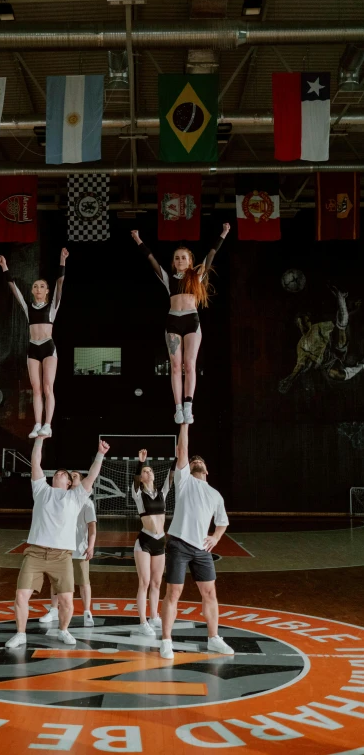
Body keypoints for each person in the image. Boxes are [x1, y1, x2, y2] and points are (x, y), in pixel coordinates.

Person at [6, 439, 109, 649]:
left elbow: (91, 476)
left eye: (64, 474)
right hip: (35, 553)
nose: (60, 473)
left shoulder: (76, 497)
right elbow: (35, 463)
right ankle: (20, 634)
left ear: (70, 482)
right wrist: (39, 440)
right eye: (58, 472)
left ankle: (63, 630)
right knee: (21, 595)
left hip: (62, 556)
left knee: (67, 601)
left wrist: (100, 454)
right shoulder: (41, 490)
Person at [131, 225, 230, 425]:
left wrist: (223, 234)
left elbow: (211, 254)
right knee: (175, 367)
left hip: (191, 320)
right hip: (173, 321)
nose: (180, 260)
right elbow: (151, 260)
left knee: (189, 364)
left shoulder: (197, 275)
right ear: (173, 262)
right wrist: (138, 239)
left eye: (183, 257)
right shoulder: (168, 278)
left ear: (190, 261)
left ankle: (188, 405)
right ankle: (177, 408)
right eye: (177, 258)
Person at [160, 423, 234, 659]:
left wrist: (216, 537)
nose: (197, 461)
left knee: (210, 593)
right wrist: (185, 423)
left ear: (207, 470)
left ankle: (213, 638)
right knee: (174, 593)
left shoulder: (215, 494)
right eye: (193, 461)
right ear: (188, 468)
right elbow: (183, 450)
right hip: (179, 544)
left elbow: (222, 522)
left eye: (200, 461)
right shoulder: (184, 482)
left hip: (201, 549)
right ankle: (166, 641)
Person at [0, 248, 69, 439]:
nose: (38, 289)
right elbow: (13, 288)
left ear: (46, 291)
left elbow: (60, 282)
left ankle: (48, 424)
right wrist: (5, 267)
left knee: (47, 387)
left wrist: (62, 260)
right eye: (35, 286)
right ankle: (37, 424)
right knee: (36, 389)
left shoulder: (52, 306)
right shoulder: (28, 307)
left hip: (48, 347)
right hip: (33, 348)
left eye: (42, 286)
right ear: (32, 290)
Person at [279, 285, 364, 394]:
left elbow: (337, 322)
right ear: (298, 325)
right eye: (301, 323)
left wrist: (345, 306)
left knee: (341, 339)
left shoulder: (318, 328)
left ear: (309, 322)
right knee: (336, 374)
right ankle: (362, 366)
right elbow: (300, 365)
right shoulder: (301, 345)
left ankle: (341, 298)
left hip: (333, 350)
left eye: (306, 321)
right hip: (326, 363)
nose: (305, 325)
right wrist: (290, 379)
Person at [39, 471, 97, 628]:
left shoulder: (87, 503)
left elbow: (92, 527)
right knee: (56, 581)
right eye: (71, 475)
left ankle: (86, 612)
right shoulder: (60, 499)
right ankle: (53, 610)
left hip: (79, 549)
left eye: (76, 475)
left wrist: (91, 545)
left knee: (83, 582)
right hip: (61, 548)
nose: (72, 476)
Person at [131, 449, 173, 637]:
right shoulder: (138, 494)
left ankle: (154, 616)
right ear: (141, 477)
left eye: (150, 470)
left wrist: (178, 457)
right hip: (145, 541)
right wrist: (140, 463)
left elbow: (171, 477)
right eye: (144, 471)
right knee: (145, 582)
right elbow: (135, 479)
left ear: (154, 475)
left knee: (157, 582)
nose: (147, 473)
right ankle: (142, 622)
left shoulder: (162, 493)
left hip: (160, 541)